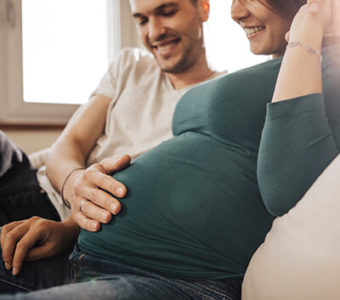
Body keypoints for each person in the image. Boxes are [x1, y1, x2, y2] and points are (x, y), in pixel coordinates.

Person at [1, 0, 339, 298]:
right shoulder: (264, 74)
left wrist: (307, 27)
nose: (234, 11)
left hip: (166, 274)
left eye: (167, 11)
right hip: (81, 240)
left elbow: (285, 185)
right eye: (142, 19)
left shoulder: (317, 67)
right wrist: (73, 217)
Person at [0, 0, 218, 241]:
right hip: (31, 177)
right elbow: (71, 142)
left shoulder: (220, 99)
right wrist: (74, 184)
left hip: (57, 219)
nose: (154, 32)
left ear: (203, 7)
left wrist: (74, 218)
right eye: (142, 20)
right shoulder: (130, 65)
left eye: (167, 13)